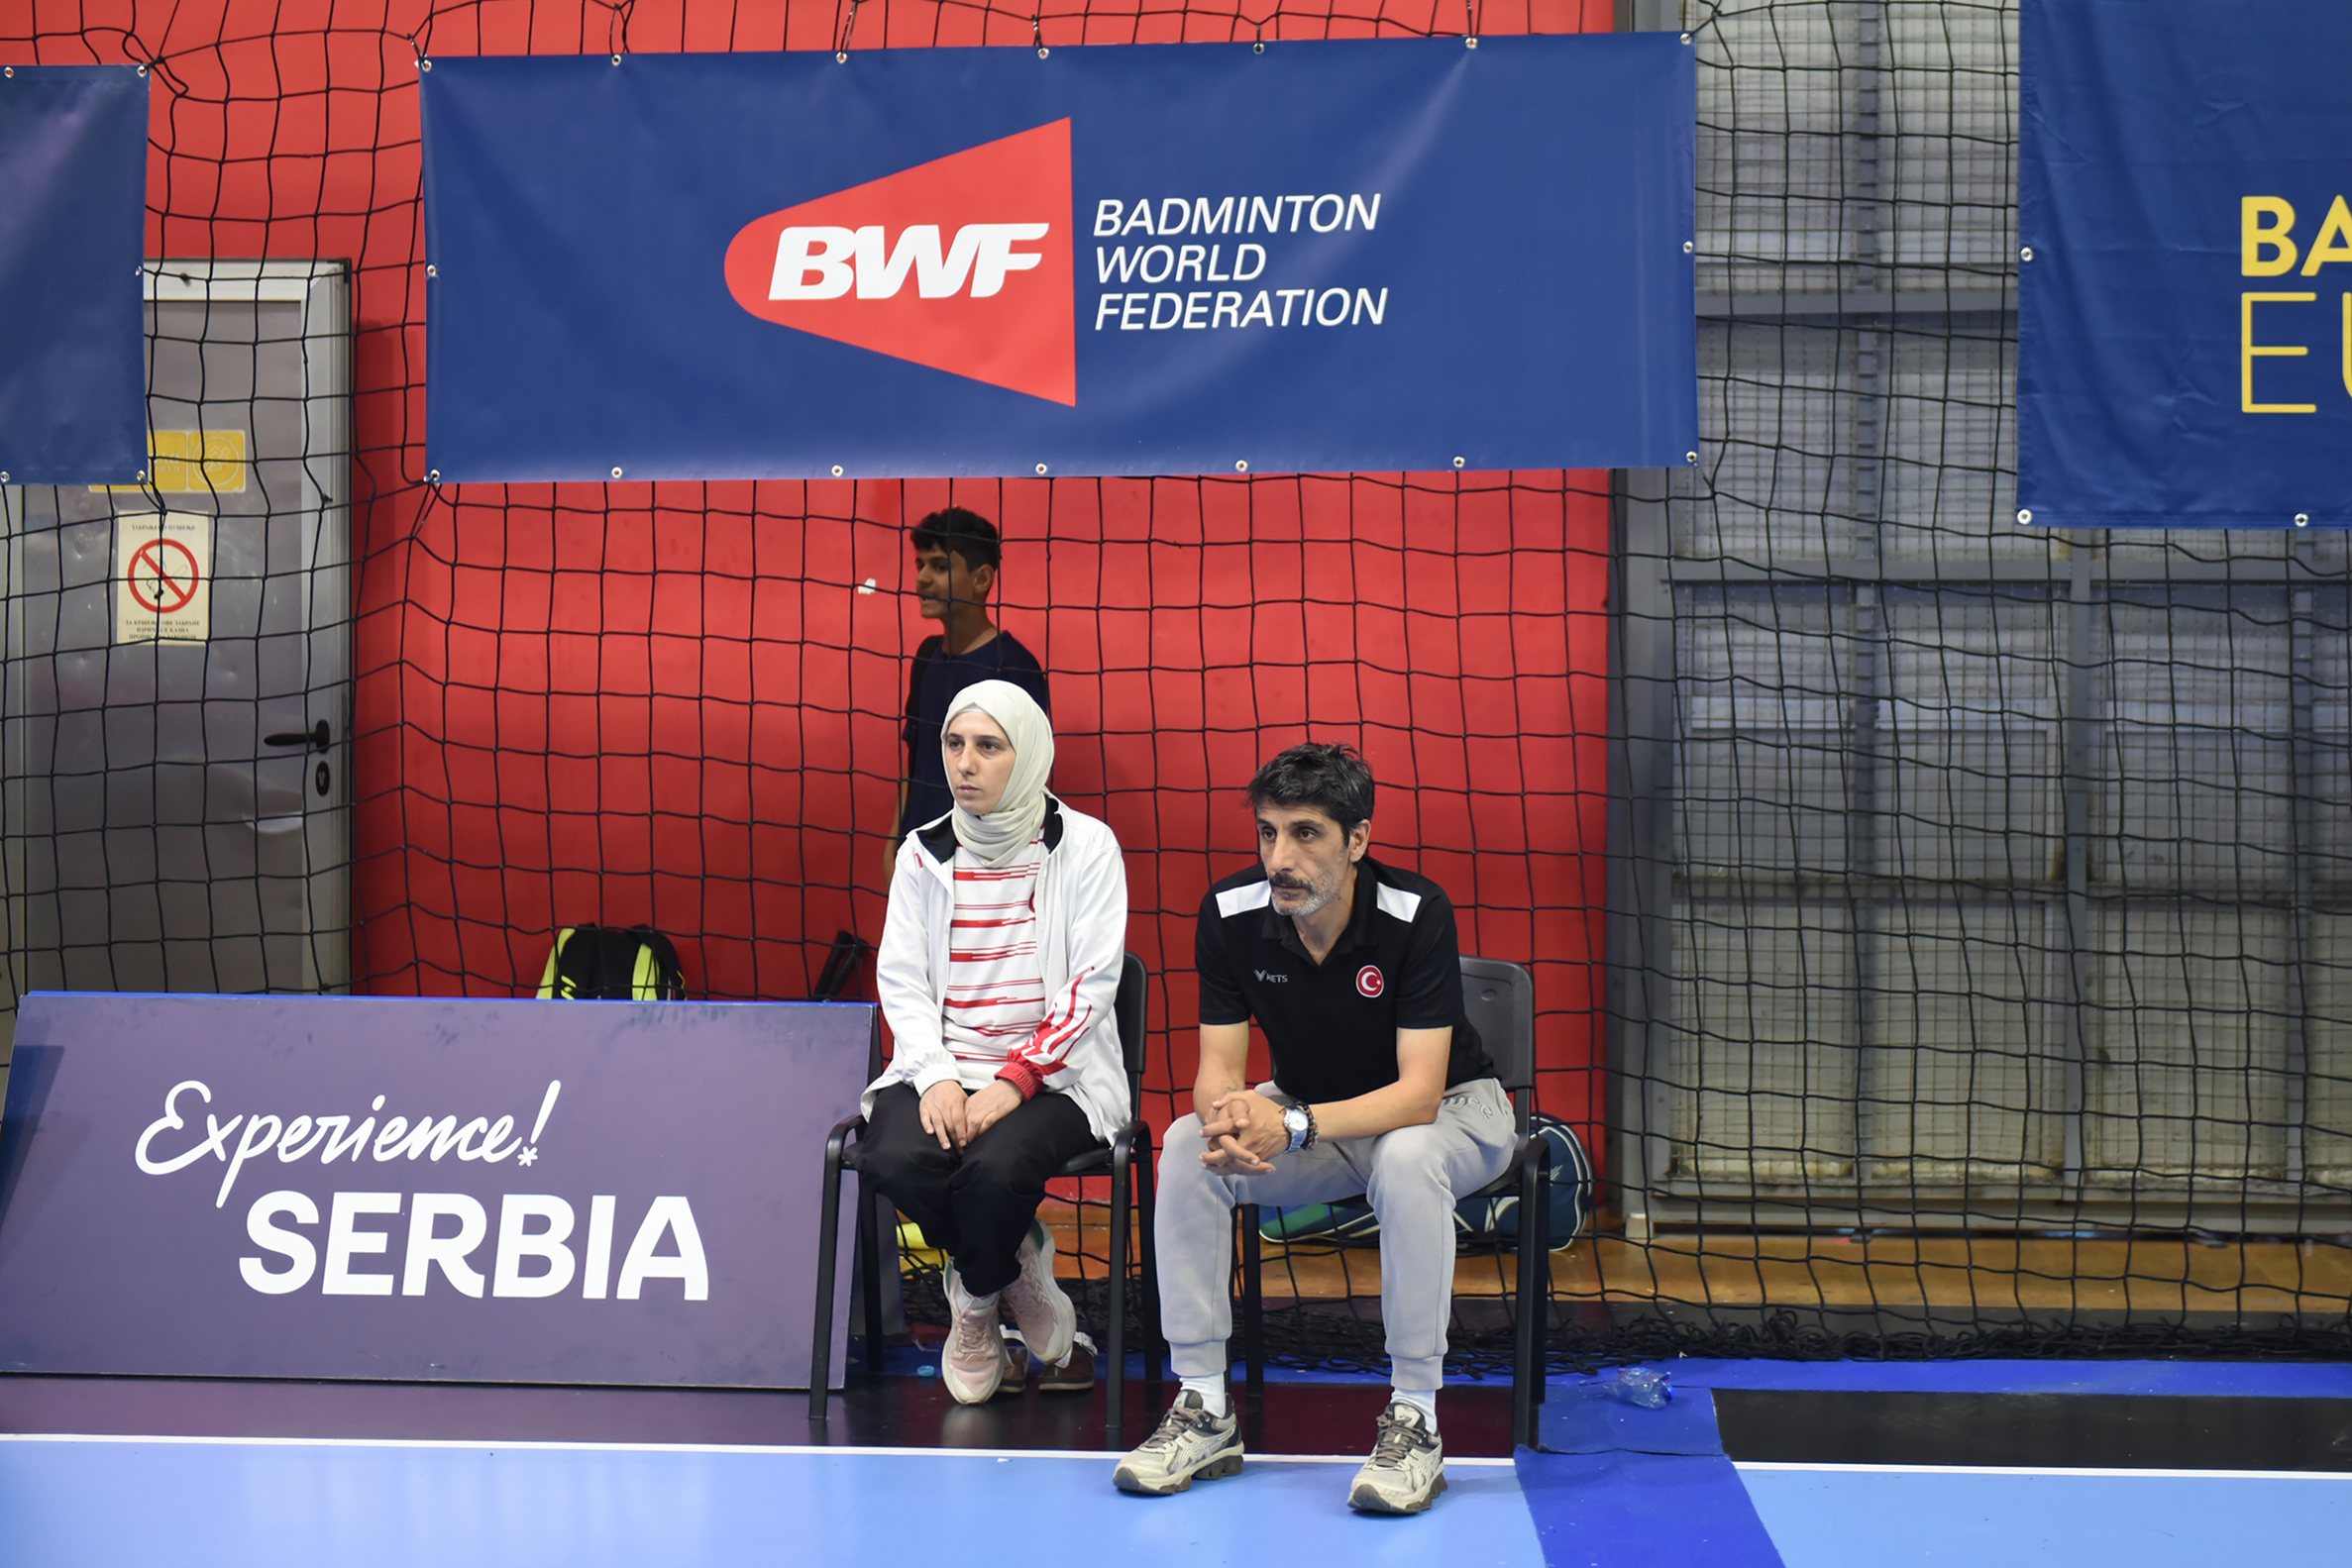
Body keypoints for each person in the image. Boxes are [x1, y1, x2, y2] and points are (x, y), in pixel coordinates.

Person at [1113, 743, 1511, 1515]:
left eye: (1305, 834)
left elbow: (1419, 1094)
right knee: (1189, 1147)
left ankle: (1416, 1417)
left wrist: (1292, 1123)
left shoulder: (1416, 912)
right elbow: (1218, 1067)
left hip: (1453, 1111)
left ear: (1357, 839)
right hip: (1317, 1116)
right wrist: (1229, 1116)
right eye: (1268, 832)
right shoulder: (1229, 913)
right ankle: (1203, 1405)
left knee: (1406, 1157)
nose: (1279, 858)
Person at [858, 679, 1128, 1403]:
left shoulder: (1088, 847)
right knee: (889, 1156)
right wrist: (936, 1075)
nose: (965, 763)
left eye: (988, 746)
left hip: (1059, 1077)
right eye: (954, 744)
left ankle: (975, 1303)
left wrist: (1017, 1080)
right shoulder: (922, 853)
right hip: (944, 1067)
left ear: (1028, 754)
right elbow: (902, 980)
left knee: (995, 1171)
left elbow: (1093, 983)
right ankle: (1015, 1266)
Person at [892, 508, 1052, 862]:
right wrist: (895, 846)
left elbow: (1030, 782)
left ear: (981, 579)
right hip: (919, 855)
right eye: (920, 565)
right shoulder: (926, 657)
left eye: (939, 566)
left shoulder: (1014, 668)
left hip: (984, 861)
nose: (922, 578)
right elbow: (915, 761)